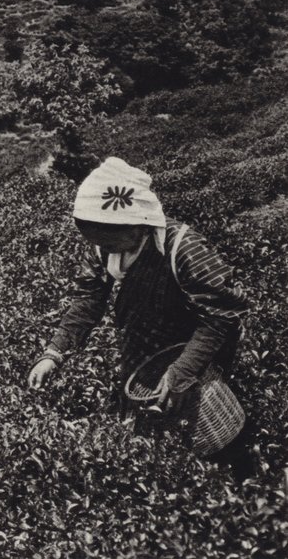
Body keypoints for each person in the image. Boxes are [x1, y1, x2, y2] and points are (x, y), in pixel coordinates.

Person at [27, 157, 250, 436]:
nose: (102, 248)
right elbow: (88, 300)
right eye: (96, 242)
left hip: (197, 354)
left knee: (208, 430)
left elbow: (221, 316)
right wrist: (54, 352)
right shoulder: (103, 248)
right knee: (152, 433)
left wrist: (184, 371)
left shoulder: (184, 248)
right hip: (143, 349)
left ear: (137, 225)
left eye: (108, 241)